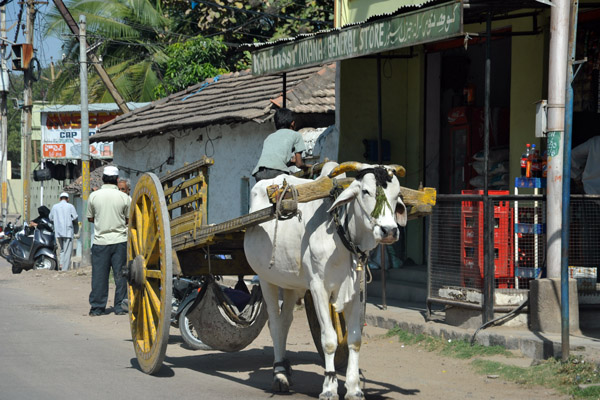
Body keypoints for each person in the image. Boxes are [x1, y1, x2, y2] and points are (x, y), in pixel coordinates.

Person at [87, 165, 131, 316]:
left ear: (102, 179)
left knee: (99, 276)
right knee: (121, 275)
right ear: (117, 180)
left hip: (101, 242)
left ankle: (97, 308)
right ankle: (120, 307)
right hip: (120, 241)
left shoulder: (94, 196)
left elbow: (90, 218)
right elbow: (129, 219)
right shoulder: (124, 197)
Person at [251, 108, 311, 182]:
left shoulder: (269, 137)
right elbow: (299, 164)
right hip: (277, 174)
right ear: (293, 123)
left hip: (259, 173)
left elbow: (273, 160)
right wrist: (307, 167)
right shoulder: (296, 135)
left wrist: (291, 162)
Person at [49, 192, 78, 271]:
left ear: (60, 199)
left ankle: (61, 265)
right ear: (68, 199)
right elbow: (75, 217)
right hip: (68, 231)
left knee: (61, 250)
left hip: (58, 231)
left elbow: (50, 218)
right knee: (67, 251)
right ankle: (65, 269)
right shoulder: (70, 206)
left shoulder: (55, 207)